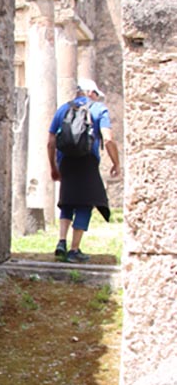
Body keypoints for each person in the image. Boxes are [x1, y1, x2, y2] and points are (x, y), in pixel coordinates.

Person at [47, 77, 121, 263]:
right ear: (92, 93)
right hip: (87, 162)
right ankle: (74, 250)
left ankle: (61, 242)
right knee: (85, 203)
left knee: (67, 201)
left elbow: (50, 142)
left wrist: (53, 167)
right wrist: (115, 163)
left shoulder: (63, 109)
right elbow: (109, 139)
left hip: (66, 161)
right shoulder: (98, 109)